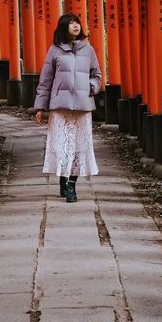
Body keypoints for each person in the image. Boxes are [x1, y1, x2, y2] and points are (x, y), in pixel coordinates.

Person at [34, 13, 102, 203]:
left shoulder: (88, 50)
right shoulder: (54, 51)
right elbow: (45, 80)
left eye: (77, 23)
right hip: (60, 107)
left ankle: (71, 184)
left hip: (82, 106)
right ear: (63, 27)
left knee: (80, 147)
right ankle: (63, 179)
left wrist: (91, 87)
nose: (75, 26)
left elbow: (97, 74)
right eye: (71, 23)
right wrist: (40, 107)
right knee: (62, 146)